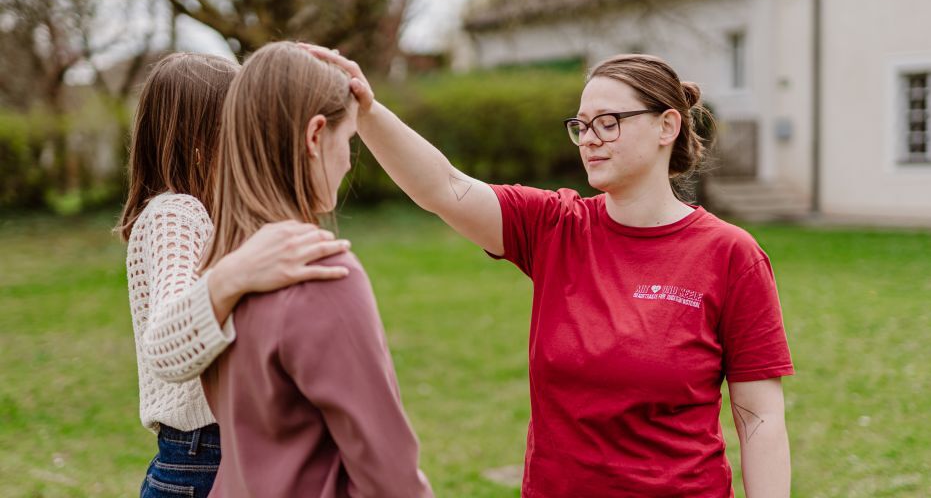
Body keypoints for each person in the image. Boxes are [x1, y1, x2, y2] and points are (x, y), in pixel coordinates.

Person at [308, 46, 794, 498]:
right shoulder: (554, 226)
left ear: (667, 126)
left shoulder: (730, 255)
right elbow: (444, 187)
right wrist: (367, 111)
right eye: (581, 125)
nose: (590, 139)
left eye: (608, 123)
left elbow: (760, 418)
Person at [198, 41, 433, 498]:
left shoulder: (222, 263)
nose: (347, 161)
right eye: (349, 140)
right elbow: (390, 475)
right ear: (314, 136)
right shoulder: (320, 273)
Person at [116, 52, 352, 498]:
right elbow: (166, 344)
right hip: (201, 460)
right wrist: (238, 273)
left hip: (236, 450)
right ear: (202, 144)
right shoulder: (176, 215)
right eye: (241, 130)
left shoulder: (214, 218)